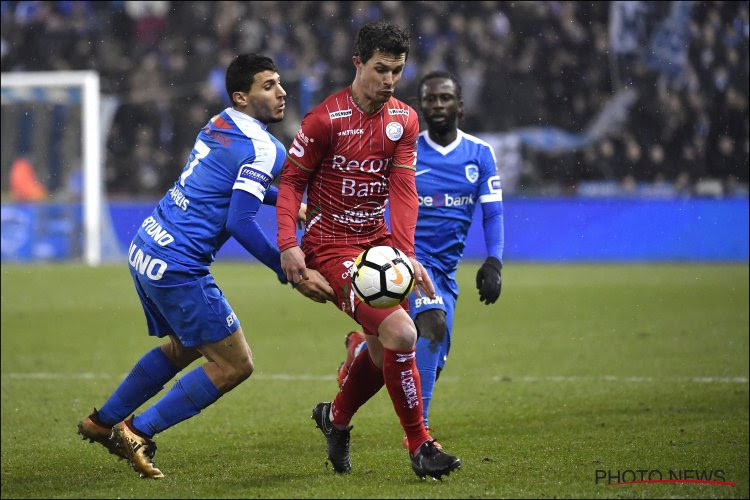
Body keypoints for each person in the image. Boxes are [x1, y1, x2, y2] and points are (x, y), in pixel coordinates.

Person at [77, 53, 335, 479]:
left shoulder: (220, 123)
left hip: (148, 244)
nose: (282, 91)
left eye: (279, 83)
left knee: (187, 346)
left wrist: (293, 203)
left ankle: (102, 420)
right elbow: (239, 219)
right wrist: (289, 270)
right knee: (235, 364)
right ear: (243, 96)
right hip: (179, 264)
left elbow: (228, 184)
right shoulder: (264, 147)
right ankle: (136, 431)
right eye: (268, 85)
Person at [276, 21, 461, 480]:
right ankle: (420, 444)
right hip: (330, 246)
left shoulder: (404, 120)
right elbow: (291, 182)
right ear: (358, 63)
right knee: (402, 334)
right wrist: (288, 247)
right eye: (381, 69)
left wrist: (406, 253)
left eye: (397, 71)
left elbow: (402, 189)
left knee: (382, 355)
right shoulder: (324, 120)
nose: (389, 81)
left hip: (377, 247)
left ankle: (335, 419)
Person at [337, 71, 505, 446]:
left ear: (460, 105)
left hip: (445, 270)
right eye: (430, 99)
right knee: (431, 324)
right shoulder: (407, 150)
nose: (438, 105)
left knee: (424, 355)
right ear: (421, 105)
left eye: (445, 98)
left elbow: (492, 213)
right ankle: (419, 436)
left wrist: (494, 261)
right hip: (404, 259)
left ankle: (361, 350)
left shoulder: (480, 154)